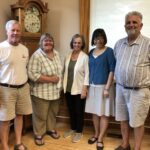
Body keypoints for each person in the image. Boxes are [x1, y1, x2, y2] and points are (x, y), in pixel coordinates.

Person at [114, 11, 150, 150]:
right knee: (123, 119)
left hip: (139, 91)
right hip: (120, 88)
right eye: (128, 22)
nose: (131, 25)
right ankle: (125, 145)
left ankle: (137, 148)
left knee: (138, 122)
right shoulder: (119, 44)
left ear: (141, 25)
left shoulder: (148, 43)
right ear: (124, 26)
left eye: (134, 22)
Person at [0, 20, 32, 150]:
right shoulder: (1, 48)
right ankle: (5, 146)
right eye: (12, 30)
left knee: (20, 116)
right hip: (5, 89)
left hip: (23, 88)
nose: (15, 33)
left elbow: (24, 68)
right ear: (6, 31)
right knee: (5, 120)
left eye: (18, 30)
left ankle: (18, 142)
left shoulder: (24, 49)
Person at [28, 33, 62, 146]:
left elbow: (60, 70)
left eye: (50, 41)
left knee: (52, 113)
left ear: (53, 43)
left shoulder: (56, 54)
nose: (48, 43)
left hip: (55, 91)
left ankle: (50, 129)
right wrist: (51, 79)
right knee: (40, 115)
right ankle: (38, 134)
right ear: (41, 43)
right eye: (45, 41)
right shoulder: (37, 56)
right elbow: (33, 75)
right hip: (41, 92)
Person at [85, 28, 116, 150]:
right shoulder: (91, 52)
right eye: (96, 38)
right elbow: (88, 71)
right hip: (92, 87)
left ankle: (101, 138)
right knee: (95, 113)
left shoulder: (109, 52)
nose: (99, 40)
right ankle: (96, 134)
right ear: (93, 39)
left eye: (101, 37)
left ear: (104, 38)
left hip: (104, 88)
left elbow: (112, 71)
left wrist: (107, 88)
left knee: (103, 114)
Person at [63, 34, 89, 143]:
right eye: (75, 42)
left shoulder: (85, 57)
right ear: (72, 43)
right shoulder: (68, 55)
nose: (76, 44)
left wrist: (85, 89)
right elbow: (64, 71)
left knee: (79, 112)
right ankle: (72, 129)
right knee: (71, 110)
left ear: (82, 44)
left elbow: (87, 74)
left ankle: (79, 132)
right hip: (68, 88)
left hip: (79, 89)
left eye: (79, 42)